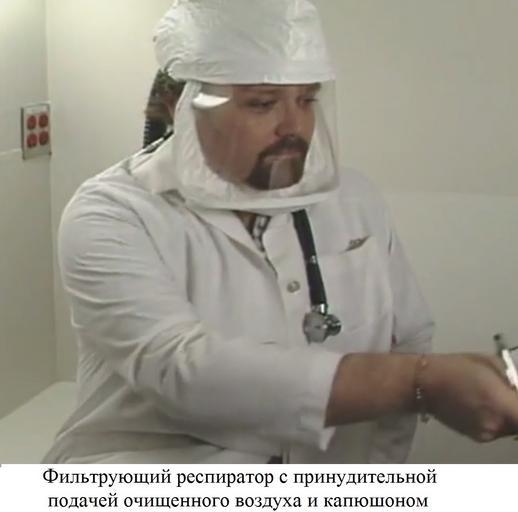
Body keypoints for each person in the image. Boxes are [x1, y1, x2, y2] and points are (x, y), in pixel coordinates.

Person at [43, 0, 518, 464]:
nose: (294, 126)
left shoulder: (353, 200)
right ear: (178, 104)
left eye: (307, 99)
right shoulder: (113, 212)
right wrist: (421, 381)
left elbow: (409, 338)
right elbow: (182, 370)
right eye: (262, 103)